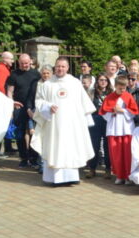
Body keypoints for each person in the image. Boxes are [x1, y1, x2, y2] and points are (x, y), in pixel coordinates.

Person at [33, 57, 96, 185]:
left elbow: (83, 103)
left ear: (67, 68)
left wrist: (85, 121)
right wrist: (48, 107)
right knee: (54, 148)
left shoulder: (74, 83)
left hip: (71, 125)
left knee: (70, 148)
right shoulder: (47, 84)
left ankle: (70, 177)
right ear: (55, 67)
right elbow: (39, 101)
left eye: (63, 66)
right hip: (53, 124)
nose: (60, 69)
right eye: (58, 66)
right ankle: (53, 179)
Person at [100, 75, 139, 185]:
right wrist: (112, 111)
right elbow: (103, 113)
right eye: (120, 88)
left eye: (124, 88)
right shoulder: (109, 97)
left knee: (127, 154)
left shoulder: (128, 96)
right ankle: (119, 175)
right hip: (113, 128)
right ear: (115, 86)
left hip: (126, 129)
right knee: (116, 154)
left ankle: (128, 176)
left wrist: (122, 110)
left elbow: (134, 112)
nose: (122, 90)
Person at [5, 54, 41, 168]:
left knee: (34, 134)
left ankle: (33, 158)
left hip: (33, 108)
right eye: (22, 63)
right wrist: (11, 105)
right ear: (18, 62)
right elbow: (10, 91)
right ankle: (24, 158)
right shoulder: (14, 74)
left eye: (26, 63)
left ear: (30, 61)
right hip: (19, 107)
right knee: (20, 134)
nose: (24, 65)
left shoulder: (36, 74)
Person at [87, 74, 112, 179]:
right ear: (97, 81)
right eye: (101, 80)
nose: (103, 82)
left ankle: (108, 169)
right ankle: (92, 169)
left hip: (108, 120)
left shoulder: (111, 93)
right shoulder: (92, 92)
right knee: (94, 145)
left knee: (107, 146)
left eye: (105, 80)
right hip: (95, 119)